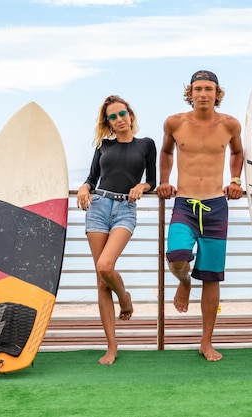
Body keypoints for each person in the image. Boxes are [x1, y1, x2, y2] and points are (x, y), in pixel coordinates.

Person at [156, 70, 244, 361]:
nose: (203, 93)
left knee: (211, 277)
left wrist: (235, 180)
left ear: (217, 93)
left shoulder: (230, 124)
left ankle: (206, 342)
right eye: (198, 89)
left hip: (217, 206)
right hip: (184, 203)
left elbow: (237, 153)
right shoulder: (174, 122)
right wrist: (165, 179)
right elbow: (166, 152)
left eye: (209, 89)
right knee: (177, 255)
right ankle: (183, 282)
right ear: (190, 92)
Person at [77, 95, 157, 365]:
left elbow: (153, 181)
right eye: (113, 117)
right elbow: (91, 178)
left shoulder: (146, 145)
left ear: (131, 116)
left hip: (125, 209)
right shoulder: (103, 146)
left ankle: (125, 298)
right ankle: (112, 346)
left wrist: (142, 187)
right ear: (108, 123)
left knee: (106, 265)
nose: (119, 119)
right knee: (101, 279)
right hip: (98, 207)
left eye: (122, 114)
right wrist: (82, 188)